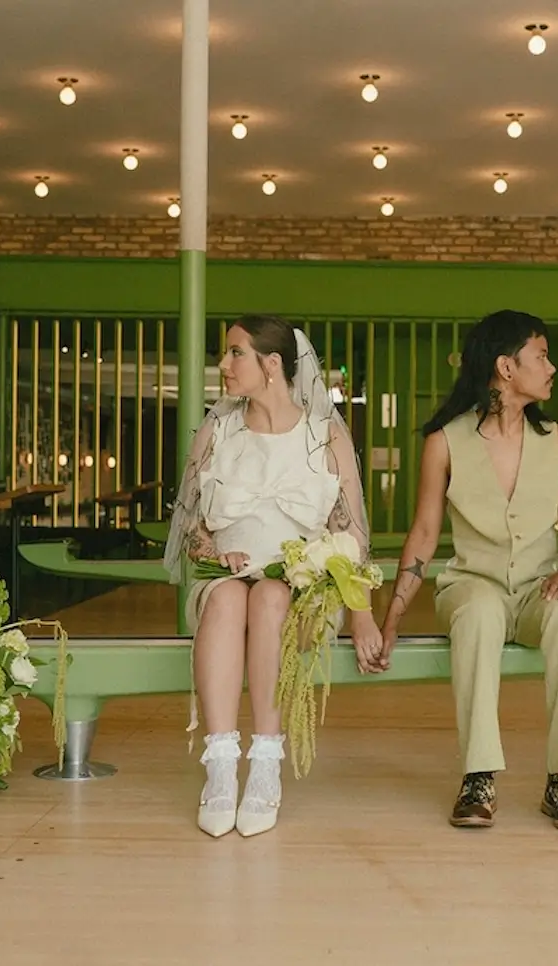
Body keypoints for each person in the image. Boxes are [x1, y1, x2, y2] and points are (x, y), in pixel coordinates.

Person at [379, 309, 558, 831]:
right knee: (478, 614)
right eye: (541, 356)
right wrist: (392, 617)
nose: (551, 368)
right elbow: (425, 535)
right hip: (471, 585)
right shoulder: (445, 442)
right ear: (506, 367)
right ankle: (478, 776)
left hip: (537, 589)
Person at [163, 315, 383, 839]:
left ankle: (265, 762)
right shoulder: (218, 431)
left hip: (301, 594)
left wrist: (363, 616)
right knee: (228, 601)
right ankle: (220, 765)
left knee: (268, 597)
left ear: (273, 364)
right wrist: (216, 554)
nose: (223, 365)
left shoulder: (324, 435)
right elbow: (191, 526)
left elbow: (349, 535)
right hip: (226, 583)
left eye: (235, 353)